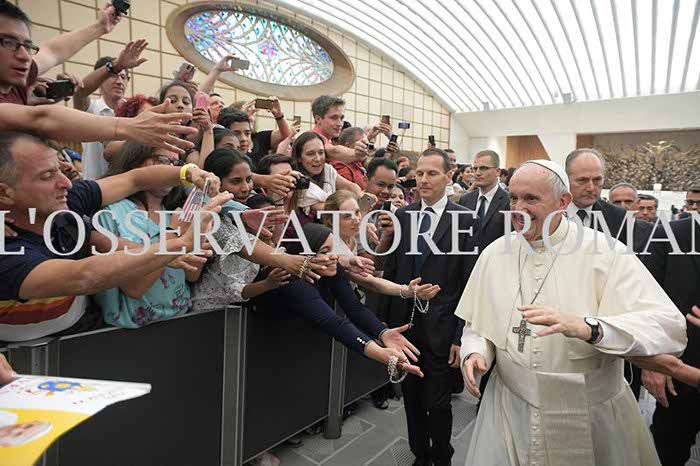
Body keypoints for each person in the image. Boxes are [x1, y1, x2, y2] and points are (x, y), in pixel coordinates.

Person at [457, 160, 687, 466]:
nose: (518, 208)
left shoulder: (606, 252)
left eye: (531, 199)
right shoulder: (495, 253)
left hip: (589, 412)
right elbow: (478, 323)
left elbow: (668, 327)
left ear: (562, 201)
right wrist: (476, 352)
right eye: (513, 198)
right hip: (509, 407)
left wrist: (591, 327)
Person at [0, 131, 223, 342]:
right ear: (4, 193)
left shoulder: (69, 203)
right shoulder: (8, 250)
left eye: (60, 169)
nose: (66, 182)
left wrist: (189, 173)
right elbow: (83, 276)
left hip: (81, 338)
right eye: (47, 176)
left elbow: (136, 179)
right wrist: (175, 242)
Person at [382, 148, 479, 466]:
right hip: (405, 327)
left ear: (448, 177)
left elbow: (468, 281)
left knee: (438, 402)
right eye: (420, 173)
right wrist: (386, 326)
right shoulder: (404, 216)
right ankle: (420, 455)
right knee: (410, 397)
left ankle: (442, 456)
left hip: (442, 326)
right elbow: (393, 271)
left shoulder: (465, 219)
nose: (423, 179)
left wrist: (459, 336)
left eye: (432, 173)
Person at [255, 222, 424, 375]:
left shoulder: (331, 268)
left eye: (334, 249)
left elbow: (354, 308)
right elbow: (334, 323)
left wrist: (382, 333)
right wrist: (379, 353)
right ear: (304, 257)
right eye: (324, 251)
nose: (334, 257)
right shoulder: (290, 282)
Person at [94, 144, 203, 328]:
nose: (172, 170)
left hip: (180, 320)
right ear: (135, 164)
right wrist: (173, 232)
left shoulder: (173, 213)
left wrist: (199, 232)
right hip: (128, 332)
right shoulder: (112, 213)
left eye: (176, 164)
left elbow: (192, 275)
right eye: (162, 161)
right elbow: (134, 288)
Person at [642, 216, 700, 466]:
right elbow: (644, 301)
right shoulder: (668, 233)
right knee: (667, 451)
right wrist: (651, 362)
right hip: (676, 371)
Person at [0, 1, 123, 105]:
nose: (25, 56)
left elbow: (53, 51)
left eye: (27, 46)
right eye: (9, 42)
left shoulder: (18, 79)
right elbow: (44, 118)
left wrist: (100, 26)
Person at [72, 41, 148, 180]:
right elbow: (80, 93)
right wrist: (115, 65)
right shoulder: (91, 109)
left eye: (123, 77)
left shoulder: (135, 111)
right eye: (114, 75)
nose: (119, 82)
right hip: (94, 185)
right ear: (100, 78)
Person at [565, 148, 653, 256]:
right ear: (566, 179)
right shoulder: (550, 212)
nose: (591, 188)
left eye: (597, 180)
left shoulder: (618, 217)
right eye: (582, 180)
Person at [311, 95, 368, 163]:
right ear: (318, 119)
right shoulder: (312, 139)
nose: (339, 123)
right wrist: (355, 153)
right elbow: (334, 151)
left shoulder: (323, 139)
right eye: (334, 118)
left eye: (341, 118)